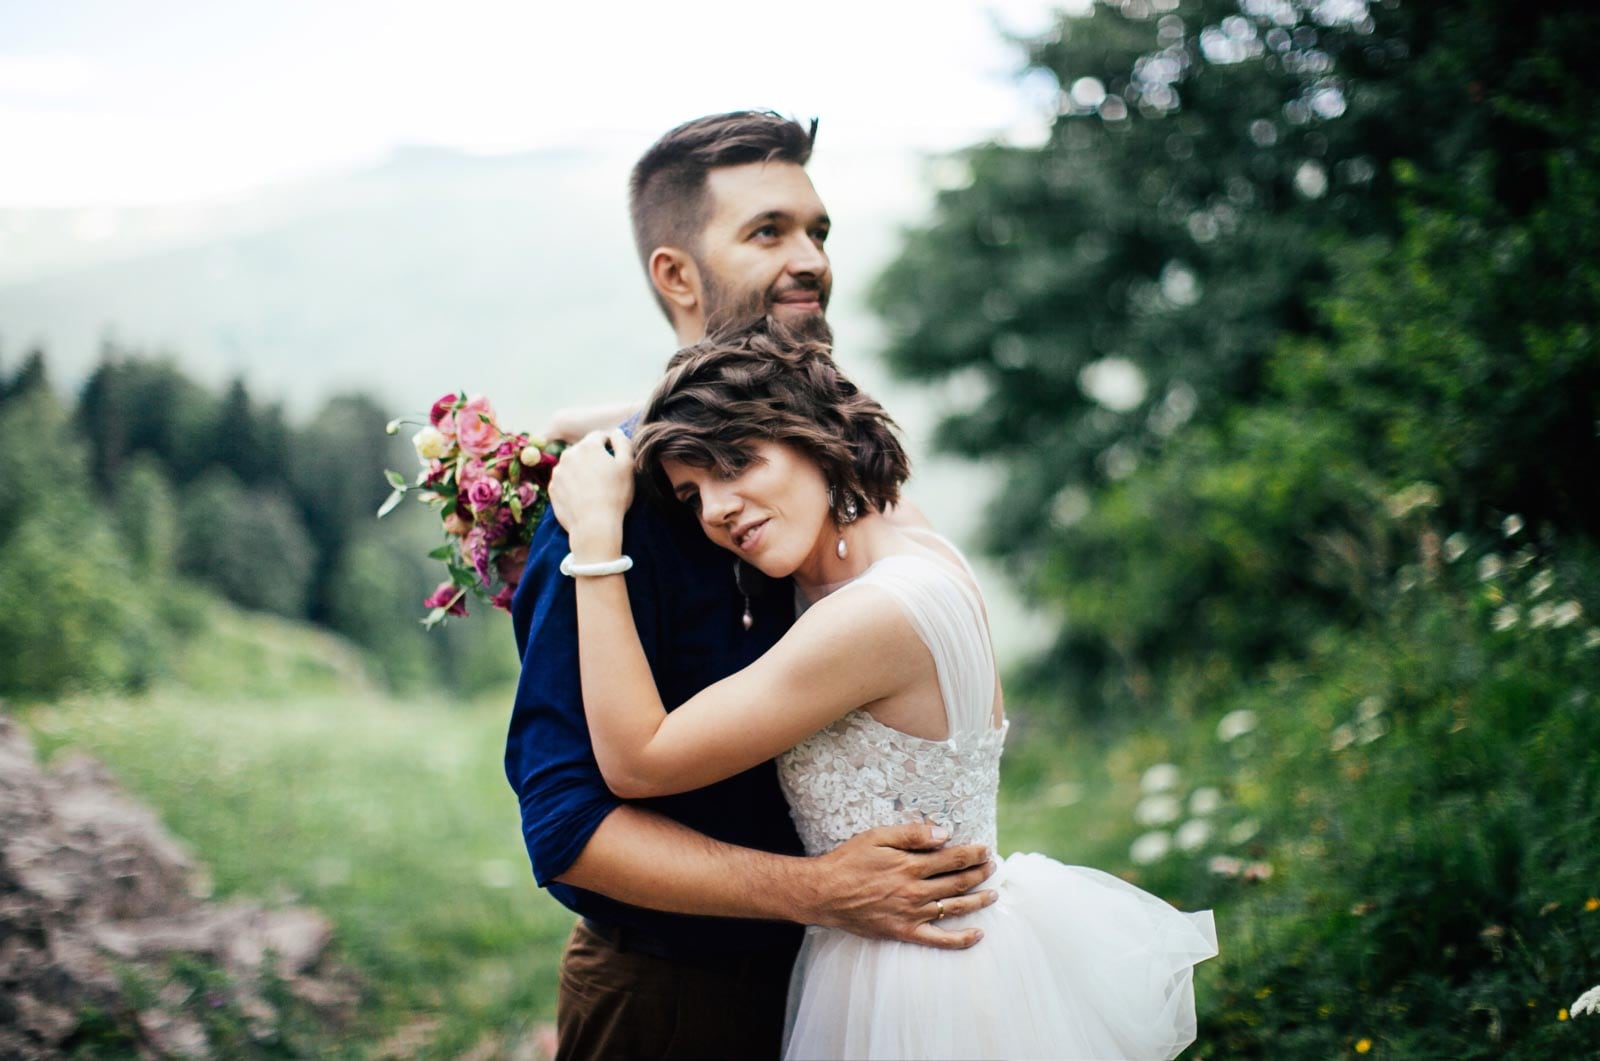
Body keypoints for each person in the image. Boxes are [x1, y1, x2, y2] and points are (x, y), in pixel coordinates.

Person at [546, 319, 1220, 1060]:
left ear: (812, 434)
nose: (716, 509)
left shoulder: (871, 618)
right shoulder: (901, 528)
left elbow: (637, 759)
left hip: (912, 983)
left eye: (736, 460)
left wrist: (595, 544)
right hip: (948, 948)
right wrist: (582, 433)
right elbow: (611, 425)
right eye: (690, 492)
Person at [506, 111, 996, 1061]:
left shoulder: (831, 486)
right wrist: (817, 892)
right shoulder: (616, 509)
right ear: (678, 275)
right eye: (768, 232)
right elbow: (568, 821)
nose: (809, 257)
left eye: (818, 230)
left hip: (860, 975)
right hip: (679, 1000)